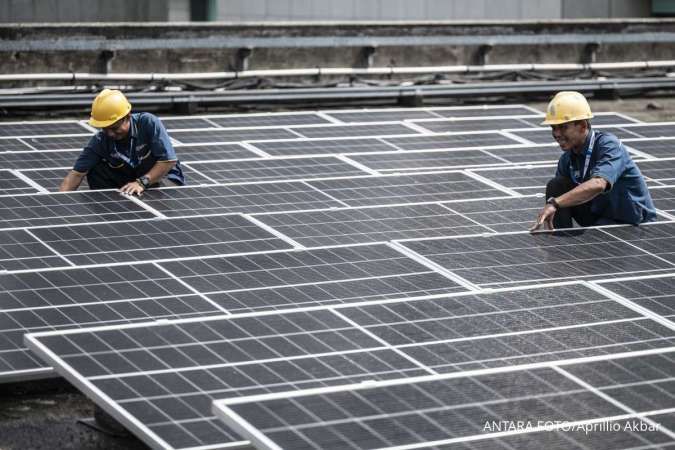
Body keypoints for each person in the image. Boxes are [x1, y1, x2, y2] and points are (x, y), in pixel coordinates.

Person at [530, 91, 656, 232]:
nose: (556, 134)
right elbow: (561, 197)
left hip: (631, 221)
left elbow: (599, 184)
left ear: (583, 126)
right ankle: (560, 242)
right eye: (553, 128)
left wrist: (555, 203)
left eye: (563, 127)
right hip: (599, 217)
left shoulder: (609, 145)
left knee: (557, 201)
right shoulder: (566, 160)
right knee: (556, 186)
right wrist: (555, 202)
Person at [59, 89, 185, 195]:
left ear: (128, 117)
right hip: (133, 181)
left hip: (164, 179)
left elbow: (168, 160)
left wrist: (142, 183)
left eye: (114, 128)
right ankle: (110, 208)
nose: (110, 134)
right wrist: (61, 202)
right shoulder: (101, 140)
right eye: (105, 129)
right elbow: (76, 175)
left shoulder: (148, 123)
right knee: (96, 170)